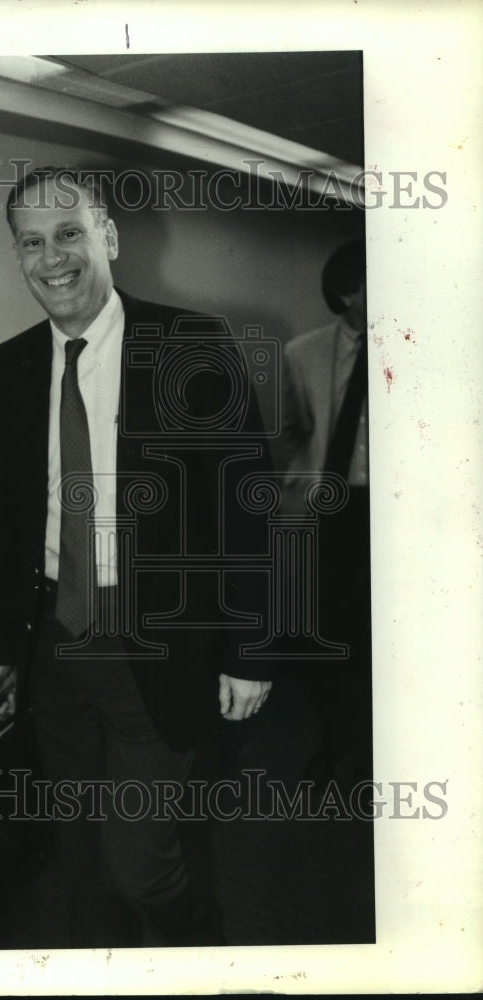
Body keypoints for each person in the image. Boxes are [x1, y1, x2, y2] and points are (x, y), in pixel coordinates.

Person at [0, 165, 274, 948]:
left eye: (69, 233)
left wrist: (249, 651)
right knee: (79, 851)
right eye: (31, 242)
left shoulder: (192, 345)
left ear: (107, 236)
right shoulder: (10, 364)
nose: (53, 258)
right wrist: (3, 643)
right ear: (17, 256)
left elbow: (249, 512)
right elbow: (3, 516)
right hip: (55, 649)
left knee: (139, 864)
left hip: (158, 649)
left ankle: (199, 953)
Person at [280, 238, 372, 789]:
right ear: (347, 291)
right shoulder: (302, 353)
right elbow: (294, 433)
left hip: (400, 519)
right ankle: (334, 743)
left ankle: (377, 755)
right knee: (327, 637)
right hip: (331, 512)